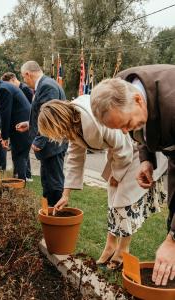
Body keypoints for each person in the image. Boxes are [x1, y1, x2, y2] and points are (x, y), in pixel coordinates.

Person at [38, 97, 166, 269]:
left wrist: (117, 174)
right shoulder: (73, 124)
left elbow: (123, 147)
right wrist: (66, 194)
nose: (56, 136)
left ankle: (123, 251)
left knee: (123, 201)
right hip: (119, 155)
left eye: (53, 131)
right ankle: (110, 247)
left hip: (138, 151)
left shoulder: (93, 120)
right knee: (112, 200)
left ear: (59, 121)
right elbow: (75, 158)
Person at [90, 64, 175, 285]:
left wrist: (173, 239)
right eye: (121, 128)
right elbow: (141, 130)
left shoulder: (173, 107)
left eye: (127, 124)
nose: (127, 132)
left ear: (138, 100)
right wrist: (146, 160)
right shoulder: (121, 86)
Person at [16, 61, 68, 206]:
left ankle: (57, 214)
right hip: (51, 144)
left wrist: (39, 140)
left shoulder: (47, 86)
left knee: (54, 183)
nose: (24, 81)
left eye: (23, 78)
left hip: (52, 144)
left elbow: (50, 117)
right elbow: (41, 113)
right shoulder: (46, 84)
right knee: (48, 181)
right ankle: (51, 211)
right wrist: (29, 124)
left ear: (28, 74)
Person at [0, 74, 31, 180]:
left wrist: (4, 137)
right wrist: (3, 130)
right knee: (18, 155)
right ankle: (18, 180)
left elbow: (5, 114)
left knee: (19, 155)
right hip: (21, 123)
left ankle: (19, 183)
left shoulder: (3, 90)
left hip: (21, 125)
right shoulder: (5, 86)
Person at [2, 71, 33, 181]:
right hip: (21, 123)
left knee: (23, 152)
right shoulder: (18, 89)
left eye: (9, 84)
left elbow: (30, 106)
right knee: (22, 153)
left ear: (13, 79)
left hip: (26, 122)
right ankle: (24, 174)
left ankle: (26, 175)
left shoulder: (25, 89)